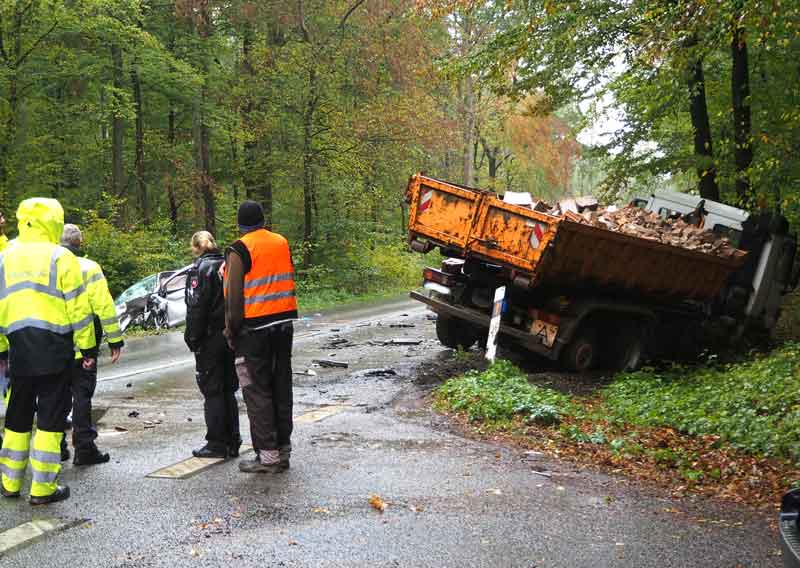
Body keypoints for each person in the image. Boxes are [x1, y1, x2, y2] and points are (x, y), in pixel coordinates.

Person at [0, 198, 96, 505]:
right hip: (55, 347)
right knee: (51, 418)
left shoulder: (5, 256)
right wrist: (88, 346)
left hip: (18, 348)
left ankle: (9, 483)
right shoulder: (60, 256)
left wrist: (2, 349)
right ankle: (42, 489)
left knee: (17, 415)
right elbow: (79, 306)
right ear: (53, 221)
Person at [224, 201, 296, 473]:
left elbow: (233, 298)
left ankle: (268, 456)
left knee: (256, 390)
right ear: (263, 220)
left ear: (240, 224)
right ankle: (283, 448)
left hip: (253, 331)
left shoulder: (239, 249)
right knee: (281, 386)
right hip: (284, 325)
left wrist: (231, 330)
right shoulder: (281, 242)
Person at [60, 224, 123, 466]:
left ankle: (57, 447)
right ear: (80, 243)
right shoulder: (89, 268)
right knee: (82, 394)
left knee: (57, 396)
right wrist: (115, 339)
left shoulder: (49, 268)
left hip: (54, 344)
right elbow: (104, 306)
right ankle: (84, 447)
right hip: (85, 343)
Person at [184, 231, 240, 458]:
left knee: (213, 389)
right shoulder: (227, 265)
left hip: (209, 338)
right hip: (228, 334)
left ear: (196, 248)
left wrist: (192, 338)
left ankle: (217, 442)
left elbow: (196, 308)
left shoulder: (200, 270)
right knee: (228, 388)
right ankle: (233, 440)